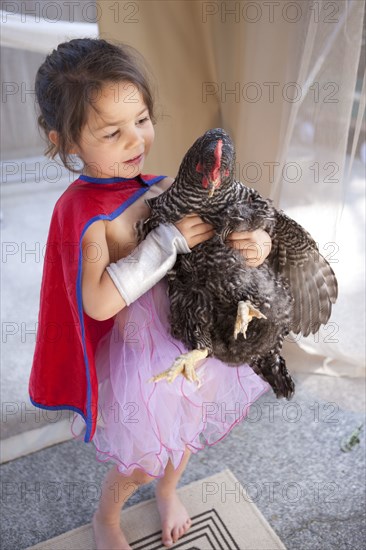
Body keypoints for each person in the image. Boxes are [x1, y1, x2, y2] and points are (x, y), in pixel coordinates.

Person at [29, 38, 272, 550]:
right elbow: (96, 302)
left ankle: (169, 490)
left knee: (187, 428)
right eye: (112, 132)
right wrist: (167, 241)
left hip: (192, 338)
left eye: (141, 119)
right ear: (67, 142)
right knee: (140, 459)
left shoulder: (163, 187)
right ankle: (109, 517)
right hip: (141, 356)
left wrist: (253, 242)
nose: (135, 140)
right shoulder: (84, 215)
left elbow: (223, 228)